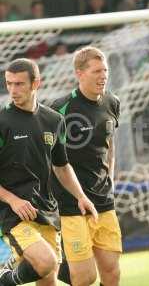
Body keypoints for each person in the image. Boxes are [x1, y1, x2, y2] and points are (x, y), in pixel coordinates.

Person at [0, 58, 98, 286]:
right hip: (13, 213)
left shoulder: (54, 120)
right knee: (46, 262)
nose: (13, 90)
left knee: (48, 280)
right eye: (9, 84)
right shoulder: (1, 122)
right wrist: (13, 200)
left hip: (45, 210)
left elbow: (62, 166)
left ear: (36, 84)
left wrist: (81, 196)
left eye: (19, 84)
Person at [49, 46, 121, 286]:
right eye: (96, 71)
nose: (103, 76)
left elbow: (109, 144)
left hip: (103, 199)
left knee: (112, 273)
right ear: (80, 74)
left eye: (106, 70)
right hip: (71, 202)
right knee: (85, 277)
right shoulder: (59, 110)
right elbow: (47, 156)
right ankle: (48, 264)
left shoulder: (112, 102)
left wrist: (111, 177)